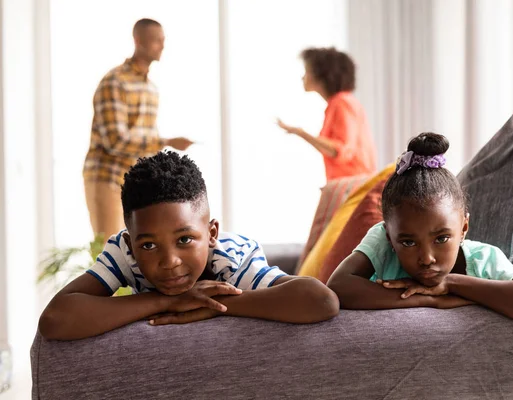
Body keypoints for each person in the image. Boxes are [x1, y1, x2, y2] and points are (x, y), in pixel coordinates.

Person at [40, 151, 339, 340]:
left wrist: (213, 305)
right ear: (131, 244)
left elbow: (321, 301)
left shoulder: (230, 257)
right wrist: (167, 301)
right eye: (148, 246)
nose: (169, 261)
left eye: (184, 240)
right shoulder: (124, 251)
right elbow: (55, 319)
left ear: (211, 234)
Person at [327, 132, 513, 324]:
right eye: (408, 242)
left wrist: (450, 284)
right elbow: (338, 286)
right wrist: (429, 299)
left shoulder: (482, 260)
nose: (426, 259)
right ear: (390, 237)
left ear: (464, 227)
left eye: (441, 239)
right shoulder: (382, 240)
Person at [83, 18, 194, 242]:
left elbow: (143, 141)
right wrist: (166, 141)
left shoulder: (151, 88)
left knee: (137, 252)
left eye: (163, 40)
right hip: (108, 179)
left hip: (133, 182)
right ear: (138, 41)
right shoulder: (115, 82)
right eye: (156, 41)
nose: (162, 46)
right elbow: (115, 141)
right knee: (110, 251)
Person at [277, 47, 377, 182]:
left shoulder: (341, 103)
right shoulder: (341, 102)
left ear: (321, 75)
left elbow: (341, 151)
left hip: (352, 184)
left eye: (307, 71)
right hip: (353, 182)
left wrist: (300, 132)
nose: (303, 77)